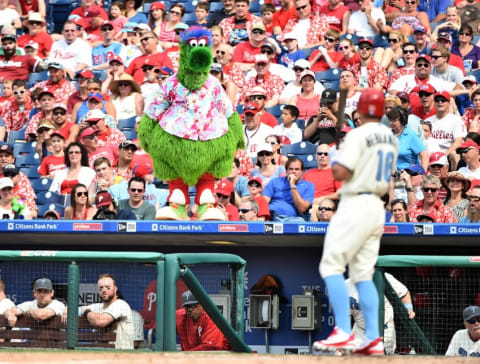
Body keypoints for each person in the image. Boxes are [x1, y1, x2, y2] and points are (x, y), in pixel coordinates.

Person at [314, 89, 398, 355]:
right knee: (363, 275)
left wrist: (338, 156)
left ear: (360, 111)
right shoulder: (389, 138)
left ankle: (341, 331)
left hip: (357, 203)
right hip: (376, 207)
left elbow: (341, 171)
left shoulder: (358, 135)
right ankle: (372, 338)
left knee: (331, 265)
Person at [346, 273, 415, 355]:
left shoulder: (385, 278)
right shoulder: (346, 285)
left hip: (385, 330)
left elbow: (404, 293)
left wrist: (408, 307)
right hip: (360, 330)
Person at [77, 274, 133, 350]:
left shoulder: (120, 304)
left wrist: (86, 311)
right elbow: (75, 310)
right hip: (101, 354)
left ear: (115, 289)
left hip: (122, 354)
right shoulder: (97, 306)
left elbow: (100, 321)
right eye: (101, 288)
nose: (104, 290)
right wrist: (67, 309)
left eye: (108, 287)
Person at [263, 157, 314, 222]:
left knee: (300, 222)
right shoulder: (275, 182)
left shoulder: (308, 186)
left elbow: (302, 209)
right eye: (291, 169)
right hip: (272, 216)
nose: (293, 172)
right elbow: (264, 201)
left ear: (302, 172)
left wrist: (292, 184)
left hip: (291, 218)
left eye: (297, 169)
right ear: (286, 171)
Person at [387, 107, 428, 171]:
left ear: (402, 120)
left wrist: (422, 175)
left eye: (394, 120)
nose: (391, 123)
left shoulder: (411, 135)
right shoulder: (388, 134)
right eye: (390, 120)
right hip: (390, 175)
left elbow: (424, 155)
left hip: (407, 175)